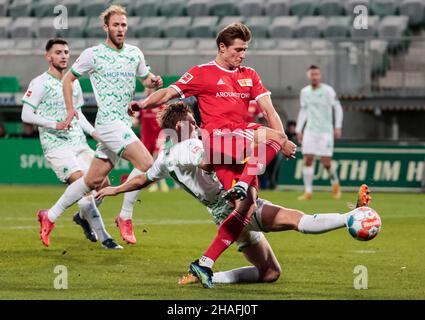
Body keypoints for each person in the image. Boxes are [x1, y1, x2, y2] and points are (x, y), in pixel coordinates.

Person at [95, 102, 372, 288]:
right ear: (181, 127)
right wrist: (246, 149)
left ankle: (208, 275)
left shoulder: (166, 157)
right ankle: (351, 216)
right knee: (297, 219)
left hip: (221, 214)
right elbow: (206, 160)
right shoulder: (189, 145)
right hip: (234, 203)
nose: (199, 124)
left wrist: (115, 189)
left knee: (270, 273)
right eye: (194, 121)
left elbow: (144, 177)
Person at [127, 23, 297, 286]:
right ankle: (207, 258)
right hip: (223, 147)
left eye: (245, 49)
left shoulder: (249, 74)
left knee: (270, 272)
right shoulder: (202, 74)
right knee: (253, 207)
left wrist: (281, 137)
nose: (243, 54)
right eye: (238, 49)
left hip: (241, 143)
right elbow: (169, 92)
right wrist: (143, 103)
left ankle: (206, 269)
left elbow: (270, 110)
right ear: (222, 47)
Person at [36, 5, 163, 247]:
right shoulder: (93, 54)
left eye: (123, 25)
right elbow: (68, 79)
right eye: (115, 25)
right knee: (148, 166)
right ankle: (124, 216)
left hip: (123, 123)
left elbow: (146, 79)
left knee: (91, 181)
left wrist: (154, 81)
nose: (120, 29)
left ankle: (49, 215)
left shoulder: (134, 53)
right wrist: (71, 108)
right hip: (108, 124)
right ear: (106, 27)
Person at [22, 38, 120, 249]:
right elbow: (26, 114)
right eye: (58, 52)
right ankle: (105, 238)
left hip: (79, 142)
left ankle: (82, 217)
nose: (63, 55)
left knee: (103, 185)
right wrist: (54, 124)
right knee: (83, 185)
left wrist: (95, 133)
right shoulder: (40, 83)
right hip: (57, 146)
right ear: (48, 57)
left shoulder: (72, 82)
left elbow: (78, 114)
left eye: (66, 52)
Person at [296, 65, 343, 201]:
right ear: (308, 76)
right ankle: (308, 191)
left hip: (325, 132)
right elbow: (304, 110)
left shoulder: (328, 91)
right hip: (310, 130)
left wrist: (338, 126)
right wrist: (299, 128)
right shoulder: (305, 92)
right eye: (312, 74)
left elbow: (338, 108)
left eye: (316, 74)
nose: (314, 76)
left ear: (320, 76)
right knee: (307, 159)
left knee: (326, 163)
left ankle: (335, 183)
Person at [139, 87, 169, 193]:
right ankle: (154, 183)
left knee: (157, 158)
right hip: (146, 137)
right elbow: (136, 120)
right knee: (148, 162)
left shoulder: (162, 106)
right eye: (146, 89)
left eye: (149, 89)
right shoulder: (142, 105)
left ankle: (161, 182)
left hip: (159, 136)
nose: (147, 91)